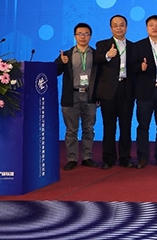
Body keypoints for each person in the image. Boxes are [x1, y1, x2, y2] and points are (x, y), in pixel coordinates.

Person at [131, 15, 157, 168]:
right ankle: (142, 157)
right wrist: (139, 67)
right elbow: (131, 67)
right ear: (146, 27)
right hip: (144, 92)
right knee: (143, 125)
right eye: (151, 25)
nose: (154, 28)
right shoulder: (137, 46)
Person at [94, 14, 135, 170]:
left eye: (122, 25)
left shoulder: (133, 46)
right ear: (111, 28)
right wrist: (107, 55)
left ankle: (125, 158)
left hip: (126, 89)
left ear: (126, 27)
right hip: (108, 91)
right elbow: (96, 60)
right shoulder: (102, 44)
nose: (119, 28)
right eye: (115, 25)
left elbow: (135, 67)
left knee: (126, 126)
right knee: (109, 126)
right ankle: (108, 158)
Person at [56, 23, 99, 171]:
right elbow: (55, 71)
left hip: (89, 95)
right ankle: (72, 158)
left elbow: (101, 77)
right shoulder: (66, 55)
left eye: (86, 34)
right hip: (71, 95)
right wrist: (61, 63)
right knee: (71, 130)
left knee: (89, 128)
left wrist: (99, 96)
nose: (83, 37)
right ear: (75, 36)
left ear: (90, 36)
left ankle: (87, 157)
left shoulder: (96, 54)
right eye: (79, 34)